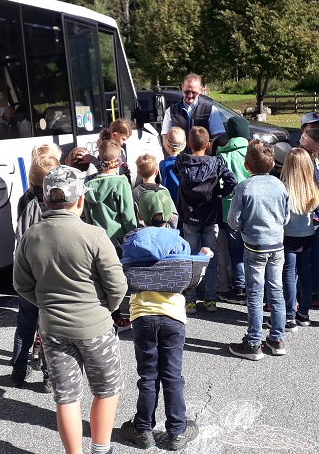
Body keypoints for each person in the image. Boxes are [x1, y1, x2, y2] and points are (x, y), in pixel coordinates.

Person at [13, 166, 128, 454]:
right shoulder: (94, 235)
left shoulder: (31, 236)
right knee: (106, 390)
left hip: (52, 328)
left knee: (66, 397)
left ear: (46, 201)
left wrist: (46, 306)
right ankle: (101, 449)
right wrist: (106, 309)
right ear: (80, 201)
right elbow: (117, 285)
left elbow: (21, 285)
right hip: (96, 326)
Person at [119, 190, 207, 451]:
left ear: (140, 215)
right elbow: (186, 281)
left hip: (142, 315)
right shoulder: (179, 243)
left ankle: (143, 429)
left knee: (147, 375)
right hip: (173, 315)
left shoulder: (130, 242)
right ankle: (177, 431)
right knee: (172, 376)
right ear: (170, 215)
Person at [227, 141, 290, 360]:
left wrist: (245, 225)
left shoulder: (244, 187)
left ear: (247, 165)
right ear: (272, 164)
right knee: (276, 291)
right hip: (277, 245)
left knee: (254, 294)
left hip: (254, 245)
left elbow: (233, 220)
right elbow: (286, 217)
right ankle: (277, 338)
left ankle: (253, 342)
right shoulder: (279, 185)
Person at [10, 151, 60, 391]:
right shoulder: (57, 202)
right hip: (51, 272)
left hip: (27, 271)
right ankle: (49, 376)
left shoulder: (24, 200)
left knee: (25, 324)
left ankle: (18, 371)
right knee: (50, 327)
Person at [175, 126, 237, 314]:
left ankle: (191, 300)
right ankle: (210, 299)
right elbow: (232, 180)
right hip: (210, 215)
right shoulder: (215, 162)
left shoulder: (182, 160)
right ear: (208, 144)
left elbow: (174, 172)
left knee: (191, 257)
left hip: (189, 215)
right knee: (211, 258)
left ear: (188, 144)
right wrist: (218, 194)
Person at [280, 148, 319, 331]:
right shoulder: (311, 186)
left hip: (288, 235)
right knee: (305, 272)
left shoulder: (284, 186)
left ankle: (289, 315)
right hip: (308, 233)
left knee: (288, 273)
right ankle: (304, 312)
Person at [216, 116, 251, 304]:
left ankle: (239, 287)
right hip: (252, 207)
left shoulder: (223, 154)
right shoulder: (252, 151)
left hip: (229, 207)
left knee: (235, 251)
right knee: (251, 249)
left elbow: (221, 182)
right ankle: (253, 286)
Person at [298, 127, 319, 312]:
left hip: (308, 215)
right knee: (316, 255)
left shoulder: (302, 163)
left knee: (302, 257)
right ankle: (313, 293)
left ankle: (301, 293)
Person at [83, 139, 137, 250]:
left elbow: (88, 218)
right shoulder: (121, 183)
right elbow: (127, 214)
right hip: (119, 241)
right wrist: (133, 236)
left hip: (97, 242)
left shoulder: (88, 186)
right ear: (119, 161)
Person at [161, 74, 225, 144]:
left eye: (194, 92)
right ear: (182, 87)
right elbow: (165, 139)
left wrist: (203, 154)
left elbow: (218, 138)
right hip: (179, 154)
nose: (190, 95)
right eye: (187, 92)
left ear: (200, 89)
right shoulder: (171, 111)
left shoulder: (211, 110)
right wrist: (173, 154)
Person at [132, 153, 178, 229]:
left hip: (144, 233)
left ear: (138, 173)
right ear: (156, 171)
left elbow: (135, 214)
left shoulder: (135, 192)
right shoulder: (164, 190)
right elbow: (173, 214)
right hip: (164, 231)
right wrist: (170, 229)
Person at [160, 126, 186, 205]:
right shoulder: (187, 163)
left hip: (169, 203)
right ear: (184, 145)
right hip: (184, 202)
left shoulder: (163, 164)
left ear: (167, 145)